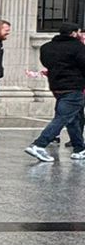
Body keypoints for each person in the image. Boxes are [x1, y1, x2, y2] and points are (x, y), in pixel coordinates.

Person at [25, 22, 85, 163]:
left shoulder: (47, 47)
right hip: (73, 86)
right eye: (78, 32)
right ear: (73, 33)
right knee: (63, 117)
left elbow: (46, 63)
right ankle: (39, 145)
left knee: (72, 117)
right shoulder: (78, 47)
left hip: (56, 86)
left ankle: (79, 148)